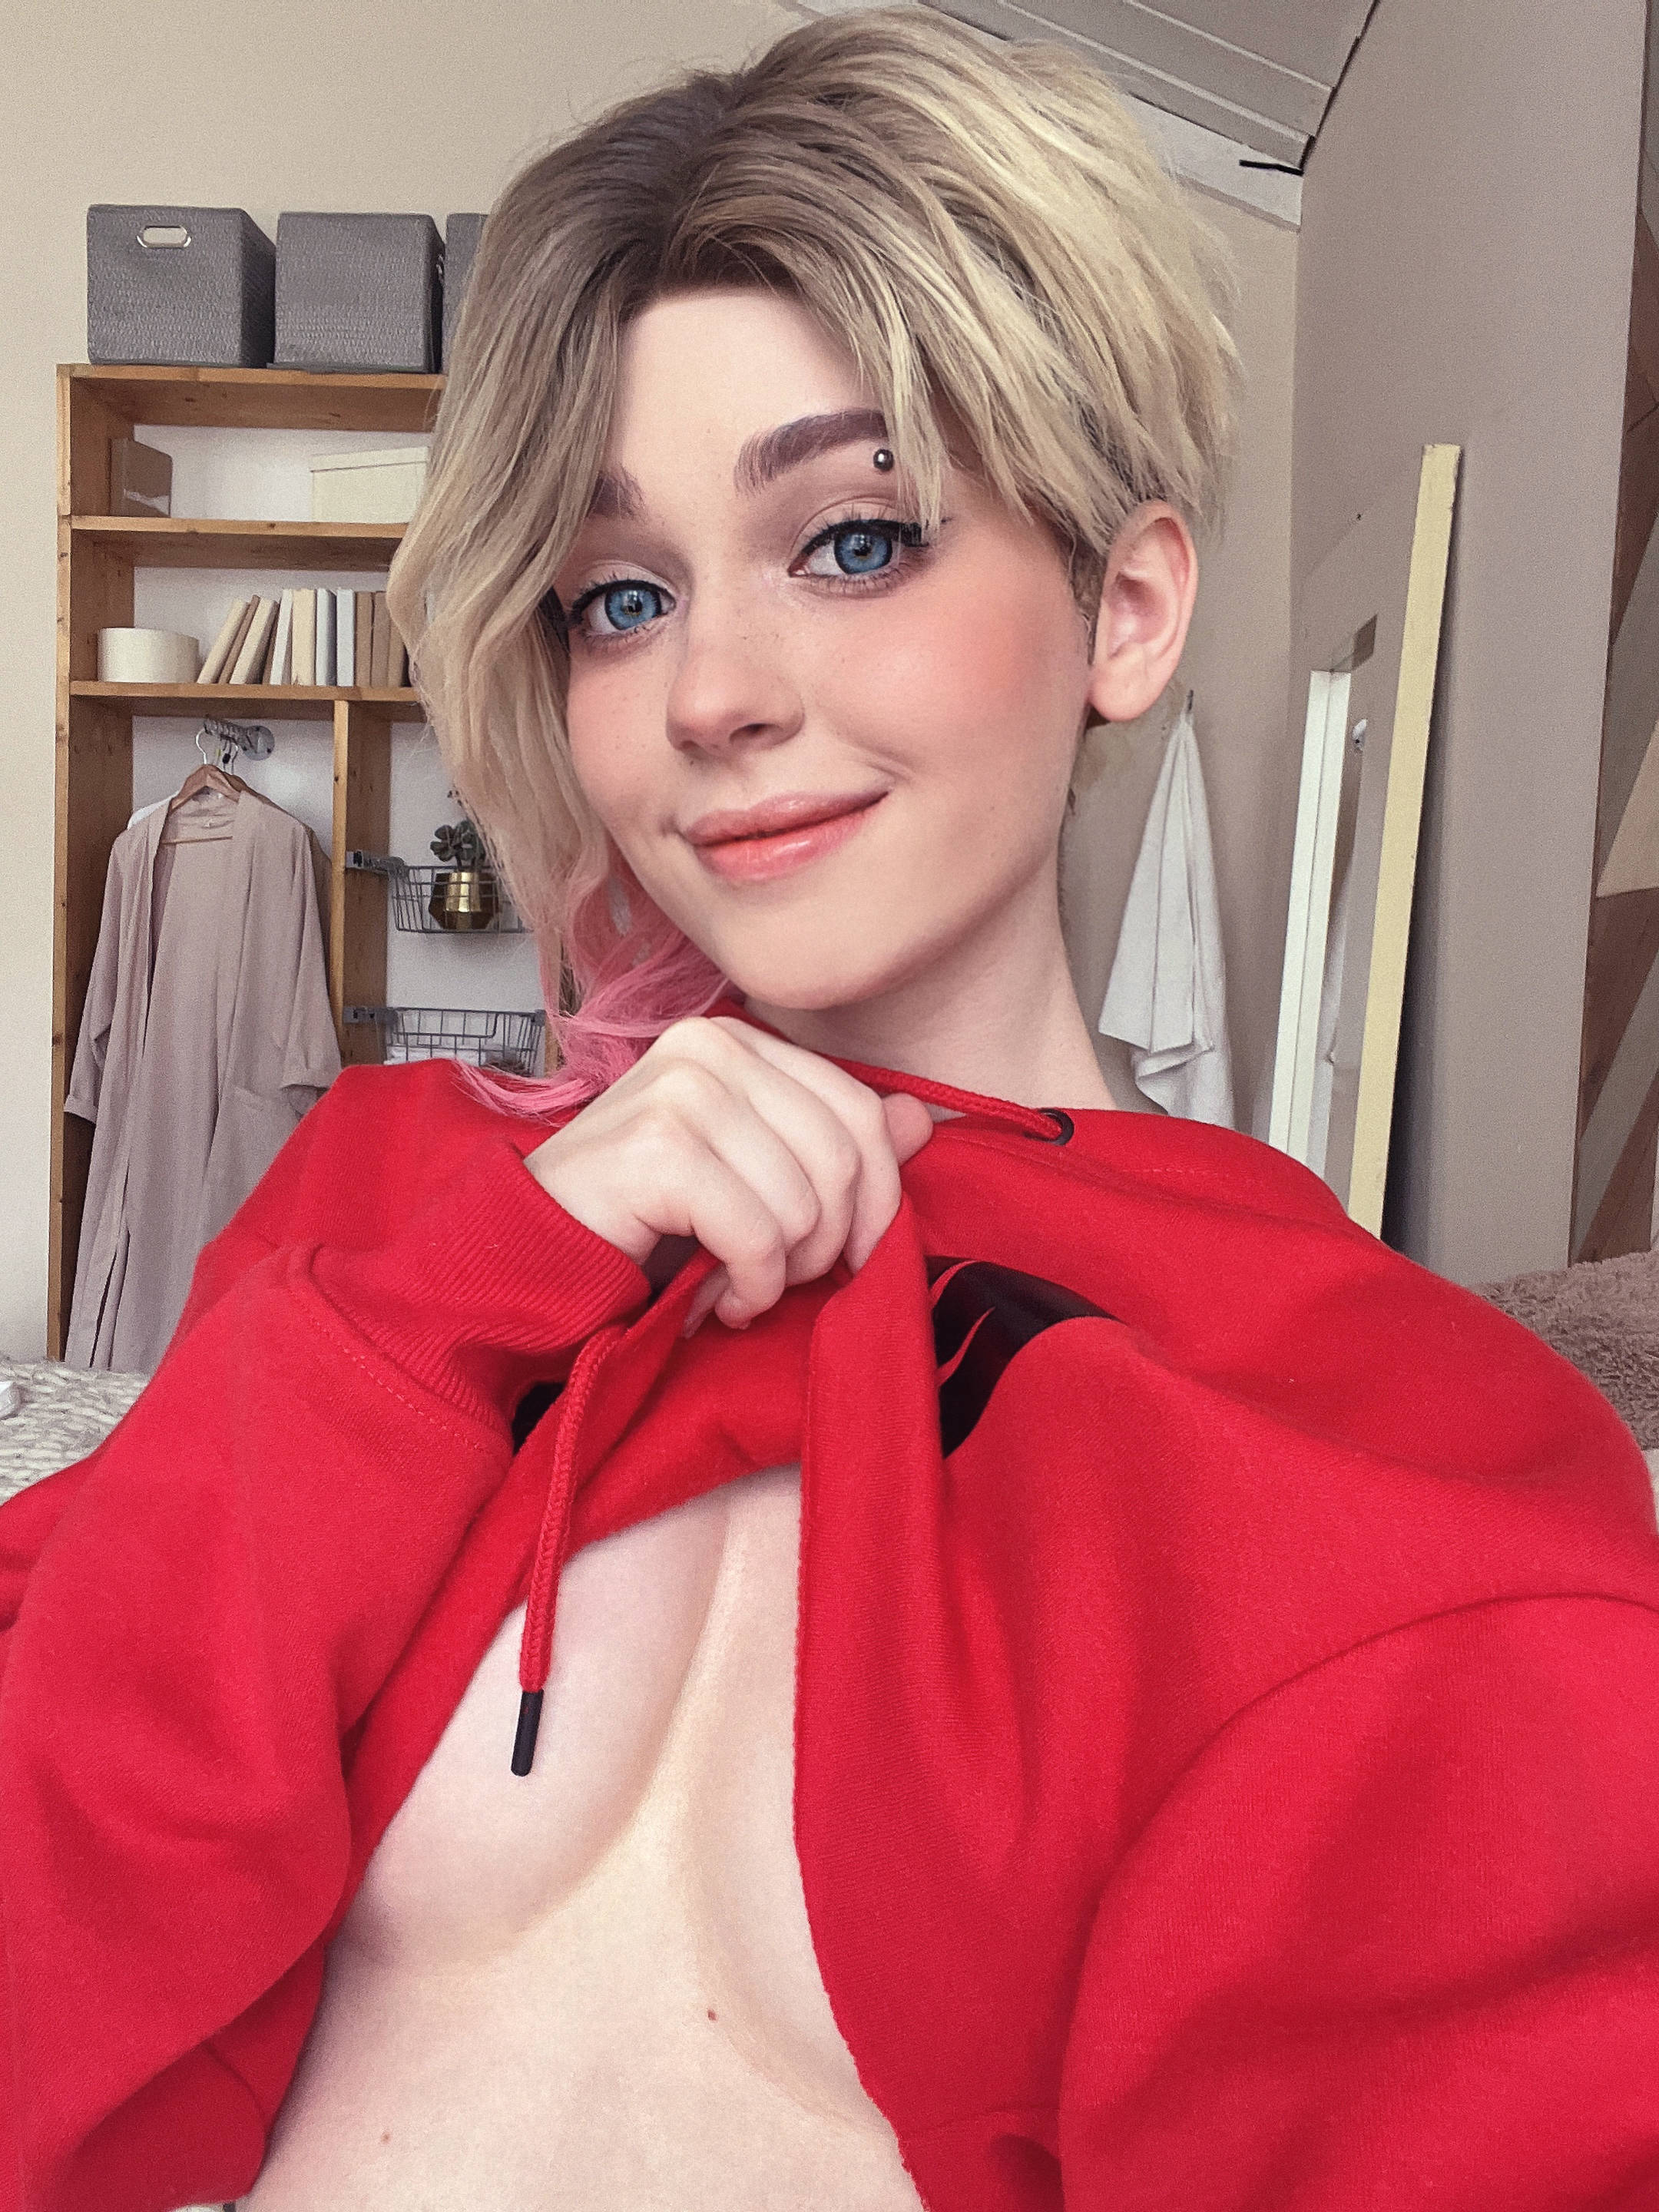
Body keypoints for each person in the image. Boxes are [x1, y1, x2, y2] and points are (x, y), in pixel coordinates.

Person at [5, 12, 1659, 2210]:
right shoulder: (388, 1211)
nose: (709, 693)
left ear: (1127, 609)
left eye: (857, 540)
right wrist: (443, 1304)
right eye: (620, 598)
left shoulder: (1387, 1441)